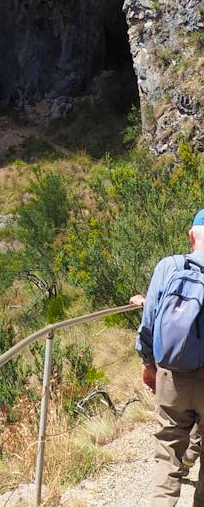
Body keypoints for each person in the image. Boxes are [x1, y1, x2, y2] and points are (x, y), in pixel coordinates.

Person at [135, 209, 204, 507]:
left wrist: (148, 365)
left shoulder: (169, 266)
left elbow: (149, 321)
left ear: (191, 236)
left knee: (168, 451)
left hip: (173, 374)